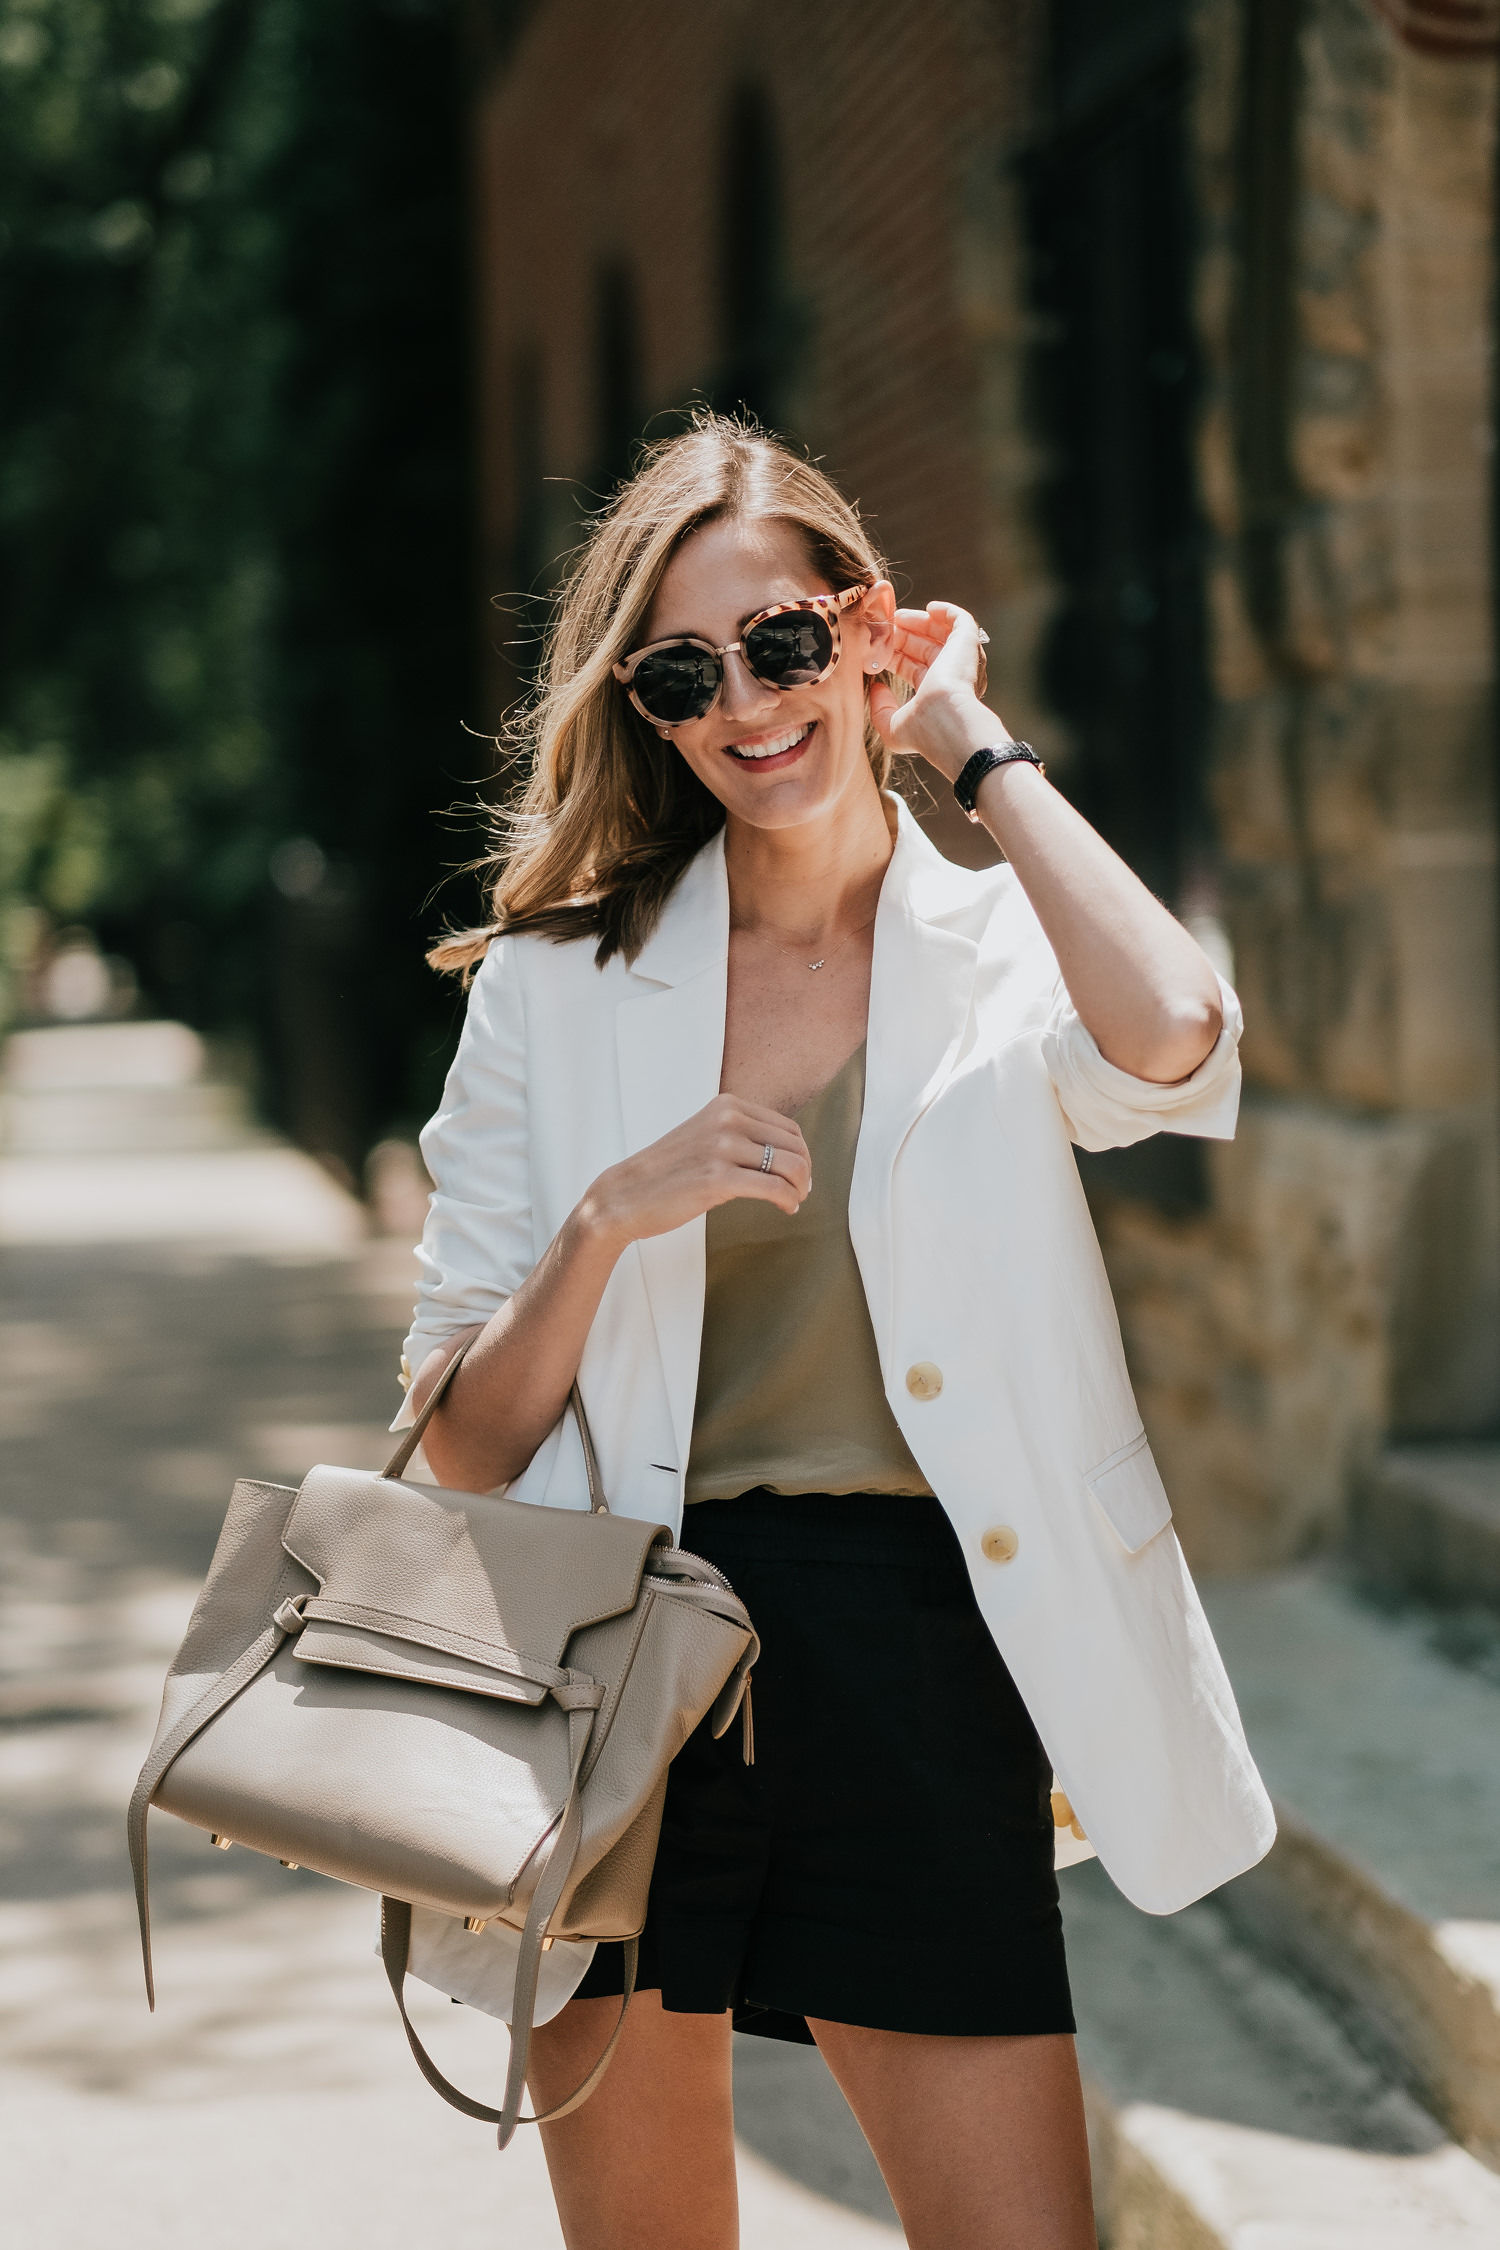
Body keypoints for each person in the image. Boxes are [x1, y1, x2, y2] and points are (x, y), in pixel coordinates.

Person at [396, 414, 1274, 2250]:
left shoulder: (1002, 941)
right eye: (683, 672)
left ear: (861, 631)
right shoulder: (558, 987)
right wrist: (601, 1221)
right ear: (645, 706)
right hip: (623, 1666)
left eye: (788, 641)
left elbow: (1181, 1037)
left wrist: (973, 741)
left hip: (918, 1657)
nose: (747, 701)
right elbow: (462, 1443)